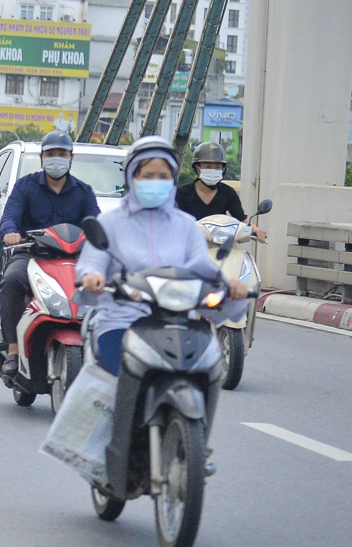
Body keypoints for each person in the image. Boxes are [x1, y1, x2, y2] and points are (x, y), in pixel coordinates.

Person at [79, 136, 250, 384]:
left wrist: (228, 285)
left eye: (163, 176)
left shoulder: (187, 226)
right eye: (148, 175)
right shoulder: (110, 222)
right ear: (132, 177)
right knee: (99, 398)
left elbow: (203, 267)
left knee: (205, 374)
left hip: (178, 321)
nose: (155, 182)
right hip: (121, 318)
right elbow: (92, 261)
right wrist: (91, 276)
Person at [0, 129, 99, 379]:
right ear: (42, 156)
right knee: (10, 280)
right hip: (32, 255)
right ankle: (13, 349)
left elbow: (96, 222)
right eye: (51, 153)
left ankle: (98, 349)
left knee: (104, 288)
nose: (56, 158)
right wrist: (11, 232)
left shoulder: (84, 191)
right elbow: (9, 217)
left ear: (71, 157)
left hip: (73, 259)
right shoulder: (26, 185)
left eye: (62, 153)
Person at [175, 140, 267, 240]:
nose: (213, 170)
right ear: (198, 168)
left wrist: (255, 229)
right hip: (189, 247)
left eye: (217, 167)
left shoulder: (228, 193)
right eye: (208, 167)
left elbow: (241, 219)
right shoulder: (182, 193)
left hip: (219, 247)